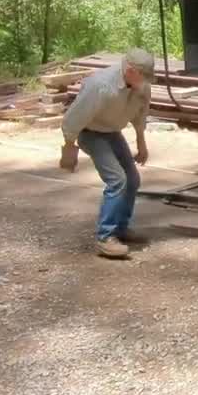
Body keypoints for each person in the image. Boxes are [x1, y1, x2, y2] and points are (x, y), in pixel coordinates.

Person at [59, 48, 155, 259]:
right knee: (117, 180)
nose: (147, 82)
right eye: (144, 76)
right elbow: (74, 118)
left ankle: (121, 228)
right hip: (90, 133)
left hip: (112, 132)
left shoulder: (141, 86)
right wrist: (69, 149)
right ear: (130, 70)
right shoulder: (100, 86)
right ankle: (106, 237)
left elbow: (140, 115)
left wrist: (141, 143)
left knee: (132, 179)